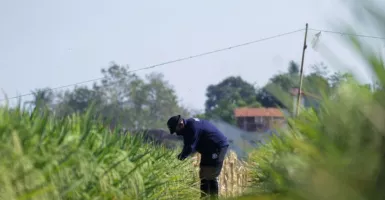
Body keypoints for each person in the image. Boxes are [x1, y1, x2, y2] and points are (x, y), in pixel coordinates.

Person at [167, 115, 229, 199]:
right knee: (203, 175)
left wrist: (178, 159)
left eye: (176, 130)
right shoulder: (188, 127)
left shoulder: (192, 128)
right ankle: (204, 198)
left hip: (218, 148)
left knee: (212, 175)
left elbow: (190, 148)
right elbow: (187, 146)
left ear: (180, 124)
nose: (177, 133)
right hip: (207, 150)